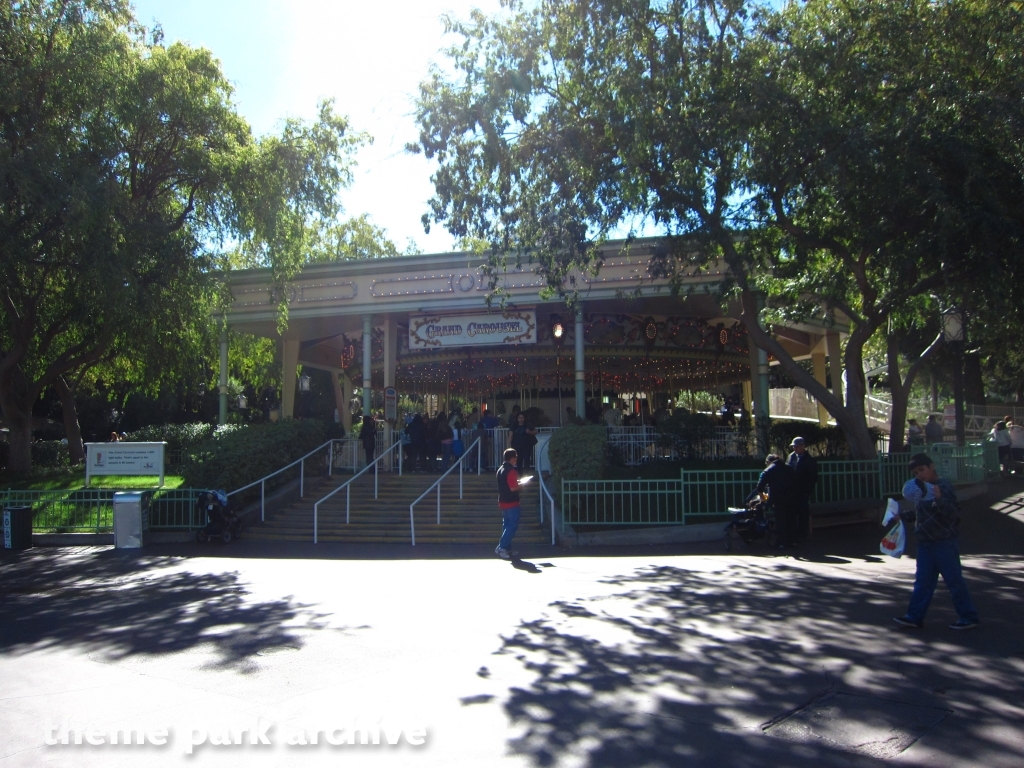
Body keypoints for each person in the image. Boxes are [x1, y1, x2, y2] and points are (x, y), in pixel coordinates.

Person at [893, 454, 980, 630]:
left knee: (954, 580)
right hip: (925, 542)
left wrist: (939, 499)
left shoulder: (943, 486)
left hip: (944, 542)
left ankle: (968, 616)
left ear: (931, 466)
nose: (920, 475)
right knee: (923, 581)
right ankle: (914, 616)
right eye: (916, 473)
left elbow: (953, 515)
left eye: (922, 470)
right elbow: (921, 514)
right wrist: (902, 516)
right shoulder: (922, 490)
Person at [752, 454, 801, 549]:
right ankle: (793, 540)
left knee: (781, 520)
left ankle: (782, 543)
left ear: (769, 462)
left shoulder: (769, 470)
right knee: (791, 519)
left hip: (778, 499)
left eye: (766, 463)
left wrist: (762, 498)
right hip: (792, 497)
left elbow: (760, 486)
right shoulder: (789, 468)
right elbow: (796, 482)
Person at [787, 437, 818, 542]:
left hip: (802, 491)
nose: (795, 449)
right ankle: (793, 533)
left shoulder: (809, 460)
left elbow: (812, 477)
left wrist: (807, 491)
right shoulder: (791, 457)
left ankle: (803, 534)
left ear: (802, 446)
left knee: (803, 513)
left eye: (796, 446)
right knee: (792, 513)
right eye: (793, 447)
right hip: (792, 491)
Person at [495, 448, 524, 560]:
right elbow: (513, 487)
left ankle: (506, 547)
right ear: (512, 458)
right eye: (515, 457)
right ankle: (502, 546)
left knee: (506, 525)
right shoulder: (511, 471)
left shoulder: (500, 469)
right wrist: (521, 485)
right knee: (512, 525)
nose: (516, 459)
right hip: (512, 501)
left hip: (503, 500)